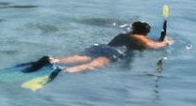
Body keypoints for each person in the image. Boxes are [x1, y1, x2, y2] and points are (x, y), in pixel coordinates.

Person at [22, 20, 170, 77]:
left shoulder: (123, 35)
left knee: (80, 58)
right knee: (93, 65)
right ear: (145, 32)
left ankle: (53, 60)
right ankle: (64, 70)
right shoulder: (141, 39)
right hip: (113, 53)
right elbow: (154, 47)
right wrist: (165, 41)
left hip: (100, 47)